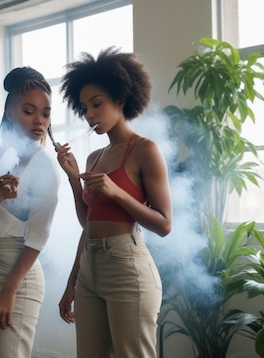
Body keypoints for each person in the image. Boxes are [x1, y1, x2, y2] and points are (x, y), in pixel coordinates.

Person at [55, 47, 173, 358]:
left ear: (120, 99)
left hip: (127, 266)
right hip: (90, 268)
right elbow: (88, 223)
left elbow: (164, 224)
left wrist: (117, 192)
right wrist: (71, 178)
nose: (89, 114)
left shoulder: (145, 150)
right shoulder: (94, 158)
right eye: (84, 108)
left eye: (97, 104)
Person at [0, 67, 60, 358]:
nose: (39, 121)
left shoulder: (45, 166)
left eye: (45, 113)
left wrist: (10, 289)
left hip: (17, 268)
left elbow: (39, 235)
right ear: (10, 113)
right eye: (29, 111)